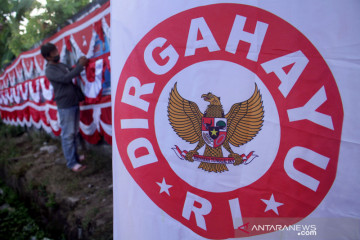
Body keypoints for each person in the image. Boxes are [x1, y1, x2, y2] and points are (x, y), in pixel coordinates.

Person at [41, 42, 89, 172]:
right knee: (68, 135)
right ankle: (71, 163)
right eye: (53, 53)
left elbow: (72, 70)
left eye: (56, 51)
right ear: (47, 57)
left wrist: (78, 64)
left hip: (73, 101)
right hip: (65, 105)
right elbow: (66, 78)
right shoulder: (49, 70)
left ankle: (75, 157)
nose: (57, 54)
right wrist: (80, 66)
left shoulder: (61, 65)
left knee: (74, 132)